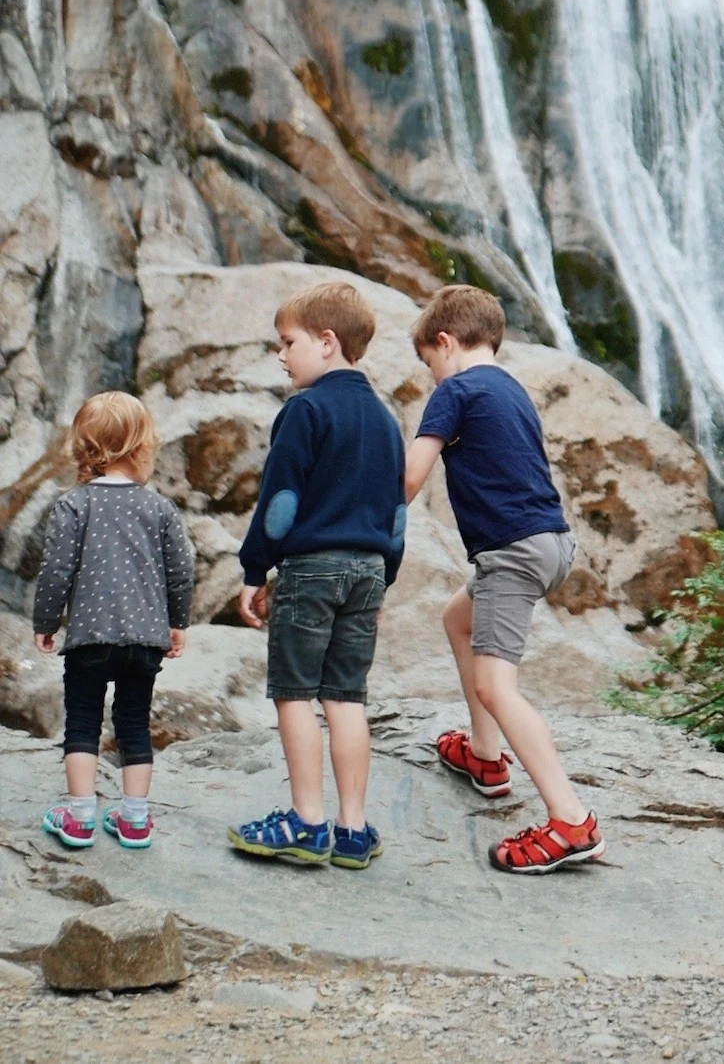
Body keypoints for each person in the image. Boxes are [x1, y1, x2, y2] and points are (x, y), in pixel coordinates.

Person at [405, 285, 604, 874]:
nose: (431, 374)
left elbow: (408, 481)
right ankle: (486, 757)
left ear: (443, 343)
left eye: (427, 363)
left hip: (511, 553)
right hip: (551, 542)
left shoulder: (455, 391)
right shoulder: (510, 388)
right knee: (455, 618)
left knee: (497, 685)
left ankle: (571, 821)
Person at [229, 281, 405, 869]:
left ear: (326, 342)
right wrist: (385, 580)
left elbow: (280, 504)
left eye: (288, 342)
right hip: (369, 570)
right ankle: (352, 831)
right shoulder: (384, 419)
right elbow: (397, 514)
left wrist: (255, 569)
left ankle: (306, 823)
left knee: (296, 695)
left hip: (311, 571)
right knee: (346, 697)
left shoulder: (304, 409)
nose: (281, 355)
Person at [33, 392, 192, 851]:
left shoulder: (74, 505)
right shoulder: (160, 508)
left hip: (89, 640)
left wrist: (46, 621)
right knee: (134, 723)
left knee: (82, 722)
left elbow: (56, 570)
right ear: (142, 449)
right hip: (145, 641)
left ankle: (80, 817)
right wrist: (176, 622)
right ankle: (135, 819)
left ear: (85, 452)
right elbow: (179, 571)